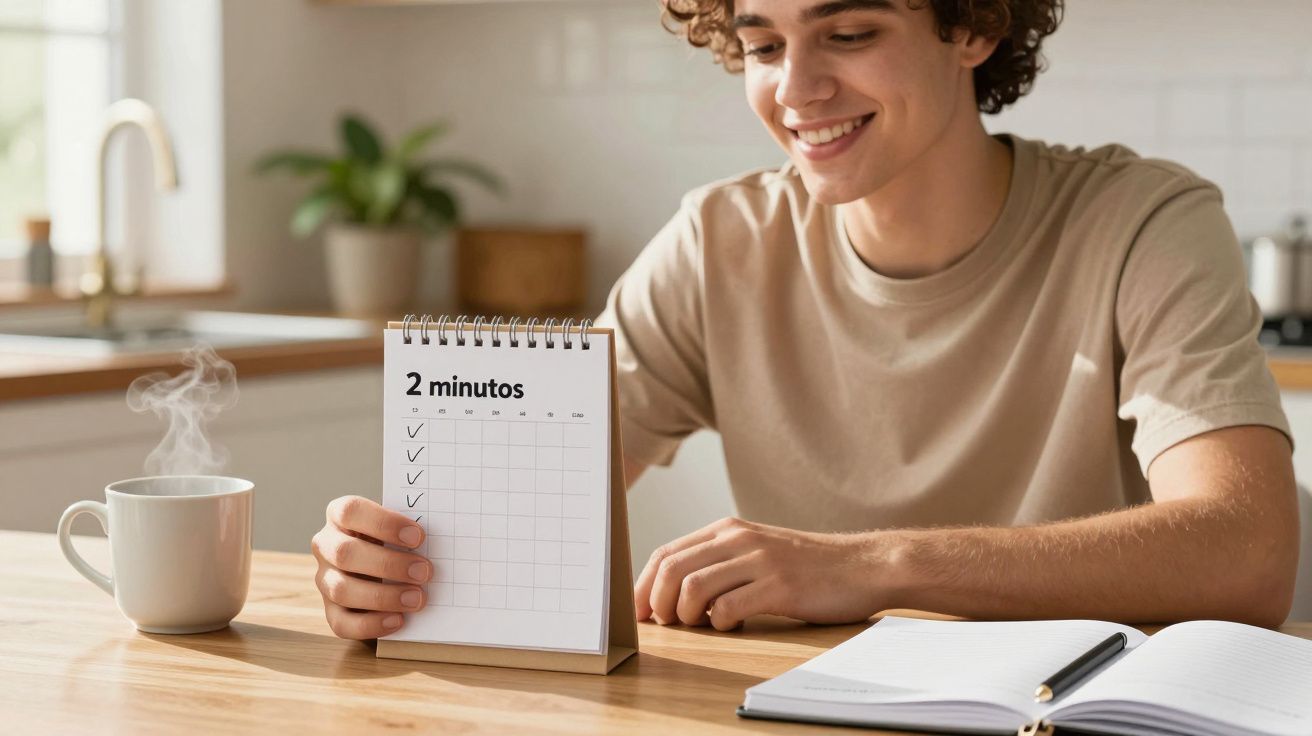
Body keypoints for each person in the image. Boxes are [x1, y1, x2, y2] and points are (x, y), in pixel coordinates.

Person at [311, 0, 1299, 641]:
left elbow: (1246, 552)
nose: (795, 90)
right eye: (763, 45)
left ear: (974, 27)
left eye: (849, 33)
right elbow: (504, 512)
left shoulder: (1141, 222)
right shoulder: (719, 241)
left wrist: (871, 566)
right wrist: (388, 565)